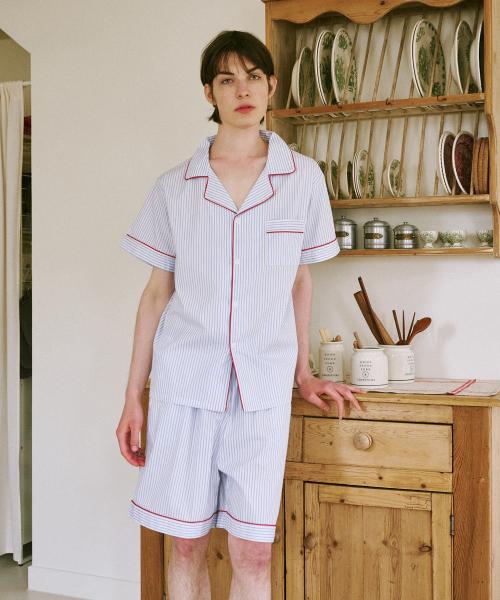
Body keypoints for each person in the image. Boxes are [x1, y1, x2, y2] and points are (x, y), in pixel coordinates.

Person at [116, 29, 367, 600]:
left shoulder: (302, 179)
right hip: (185, 385)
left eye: (253, 77)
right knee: (186, 543)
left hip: (263, 389)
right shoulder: (175, 187)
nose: (243, 90)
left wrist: (303, 372)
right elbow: (155, 295)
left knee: (254, 549)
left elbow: (299, 280)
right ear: (210, 92)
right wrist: (133, 396)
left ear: (272, 85)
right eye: (227, 80)